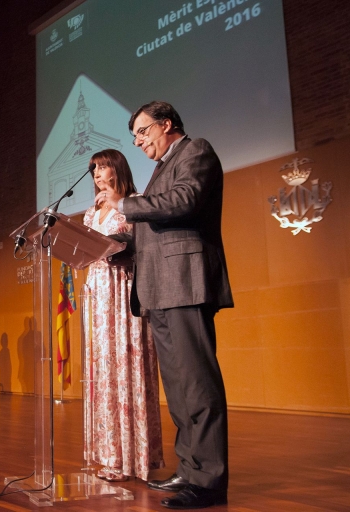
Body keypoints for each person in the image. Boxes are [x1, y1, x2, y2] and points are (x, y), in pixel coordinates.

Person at [96, 101, 233, 509]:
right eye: (134, 136)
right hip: (157, 289)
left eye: (142, 132)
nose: (137, 142)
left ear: (166, 123)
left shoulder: (197, 151)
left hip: (186, 284)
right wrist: (113, 247)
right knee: (177, 388)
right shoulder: (158, 170)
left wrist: (122, 204)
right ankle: (189, 467)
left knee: (198, 383)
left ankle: (208, 480)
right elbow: (153, 232)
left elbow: (184, 201)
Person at [83, 149, 163, 483]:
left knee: (127, 365)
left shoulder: (136, 201)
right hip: (97, 291)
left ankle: (135, 457)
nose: (97, 174)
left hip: (124, 289)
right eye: (93, 169)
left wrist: (123, 247)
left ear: (117, 168)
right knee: (103, 370)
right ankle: (107, 453)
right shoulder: (90, 212)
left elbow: (147, 244)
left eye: (102, 167)